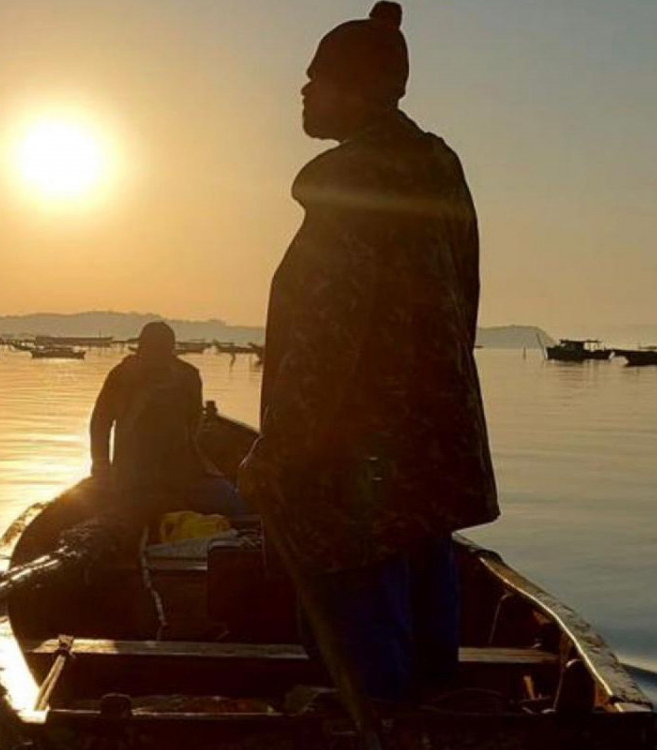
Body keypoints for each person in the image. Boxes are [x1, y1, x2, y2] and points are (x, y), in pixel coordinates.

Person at [237, 2, 499, 701]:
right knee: (427, 645)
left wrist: (280, 450)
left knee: (364, 664)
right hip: (434, 456)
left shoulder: (350, 180)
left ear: (357, 90)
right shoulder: (440, 167)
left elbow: (329, 334)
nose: (303, 91)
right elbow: (465, 302)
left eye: (315, 78)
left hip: (352, 470)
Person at [90, 322, 242, 523]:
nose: (156, 357)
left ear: (171, 350)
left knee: (238, 505)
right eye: (152, 349)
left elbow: (194, 422)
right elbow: (100, 423)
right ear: (141, 349)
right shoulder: (122, 376)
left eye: (162, 350)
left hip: (184, 474)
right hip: (135, 478)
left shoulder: (188, 376)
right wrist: (102, 468)